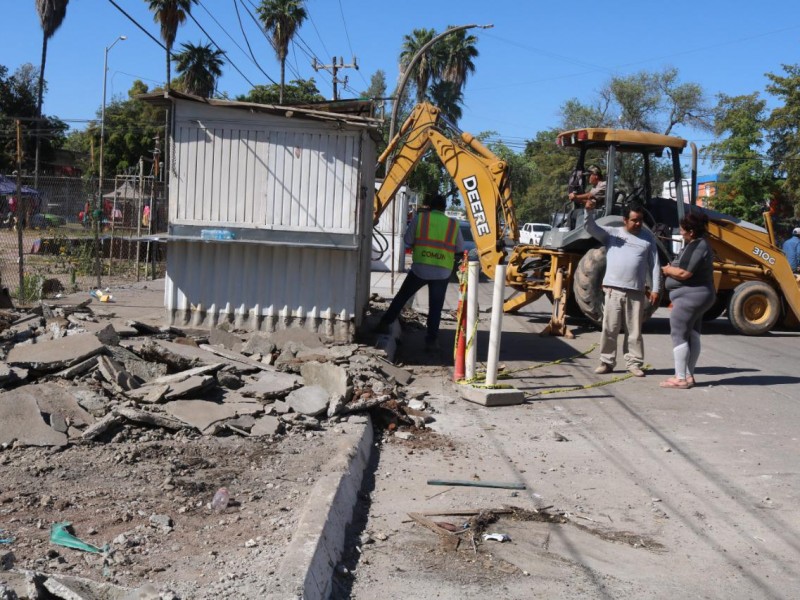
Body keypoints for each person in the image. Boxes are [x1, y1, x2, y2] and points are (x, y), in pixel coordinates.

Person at [375, 193, 465, 352]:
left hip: (421, 268)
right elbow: (459, 248)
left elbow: (408, 240)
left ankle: (385, 323)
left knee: (402, 296)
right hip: (442, 271)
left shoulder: (420, 219)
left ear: (430, 206)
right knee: (436, 307)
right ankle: (431, 341)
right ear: (444, 208)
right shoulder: (453, 224)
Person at [584, 198, 661, 377]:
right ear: (625, 220)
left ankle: (634, 363)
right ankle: (606, 362)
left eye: (640, 220)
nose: (638, 223)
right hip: (613, 290)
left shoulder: (648, 239)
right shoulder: (613, 234)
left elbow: (655, 265)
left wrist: (656, 288)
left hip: (636, 292)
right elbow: (591, 228)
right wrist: (588, 212)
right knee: (610, 329)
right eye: (634, 220)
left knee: (634, 331)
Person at [660, 212, 716, 389]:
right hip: (699, 296)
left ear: (691, 231)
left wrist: (667, 270)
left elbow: (684, 273)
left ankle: (681, 378)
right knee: (692, 334)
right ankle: (689, 375)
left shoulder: (697, 246)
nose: (681, 232)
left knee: (678, 334)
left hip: (690, 297)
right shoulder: (699, 244)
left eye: (683, 229)